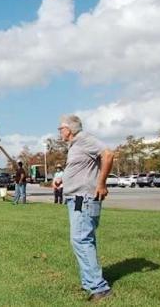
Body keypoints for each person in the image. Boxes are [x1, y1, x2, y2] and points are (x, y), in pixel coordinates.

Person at [58, 114, 114, 302]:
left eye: (61, 128)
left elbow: (108, 154)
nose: (59, 131)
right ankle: (89, 283)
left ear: (69, 129)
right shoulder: (75, 146)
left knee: (81, 239)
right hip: (76, 198)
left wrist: (102, 184)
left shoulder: (84, 139)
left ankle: (99, 288)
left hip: (84, 198)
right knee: (84, 239)